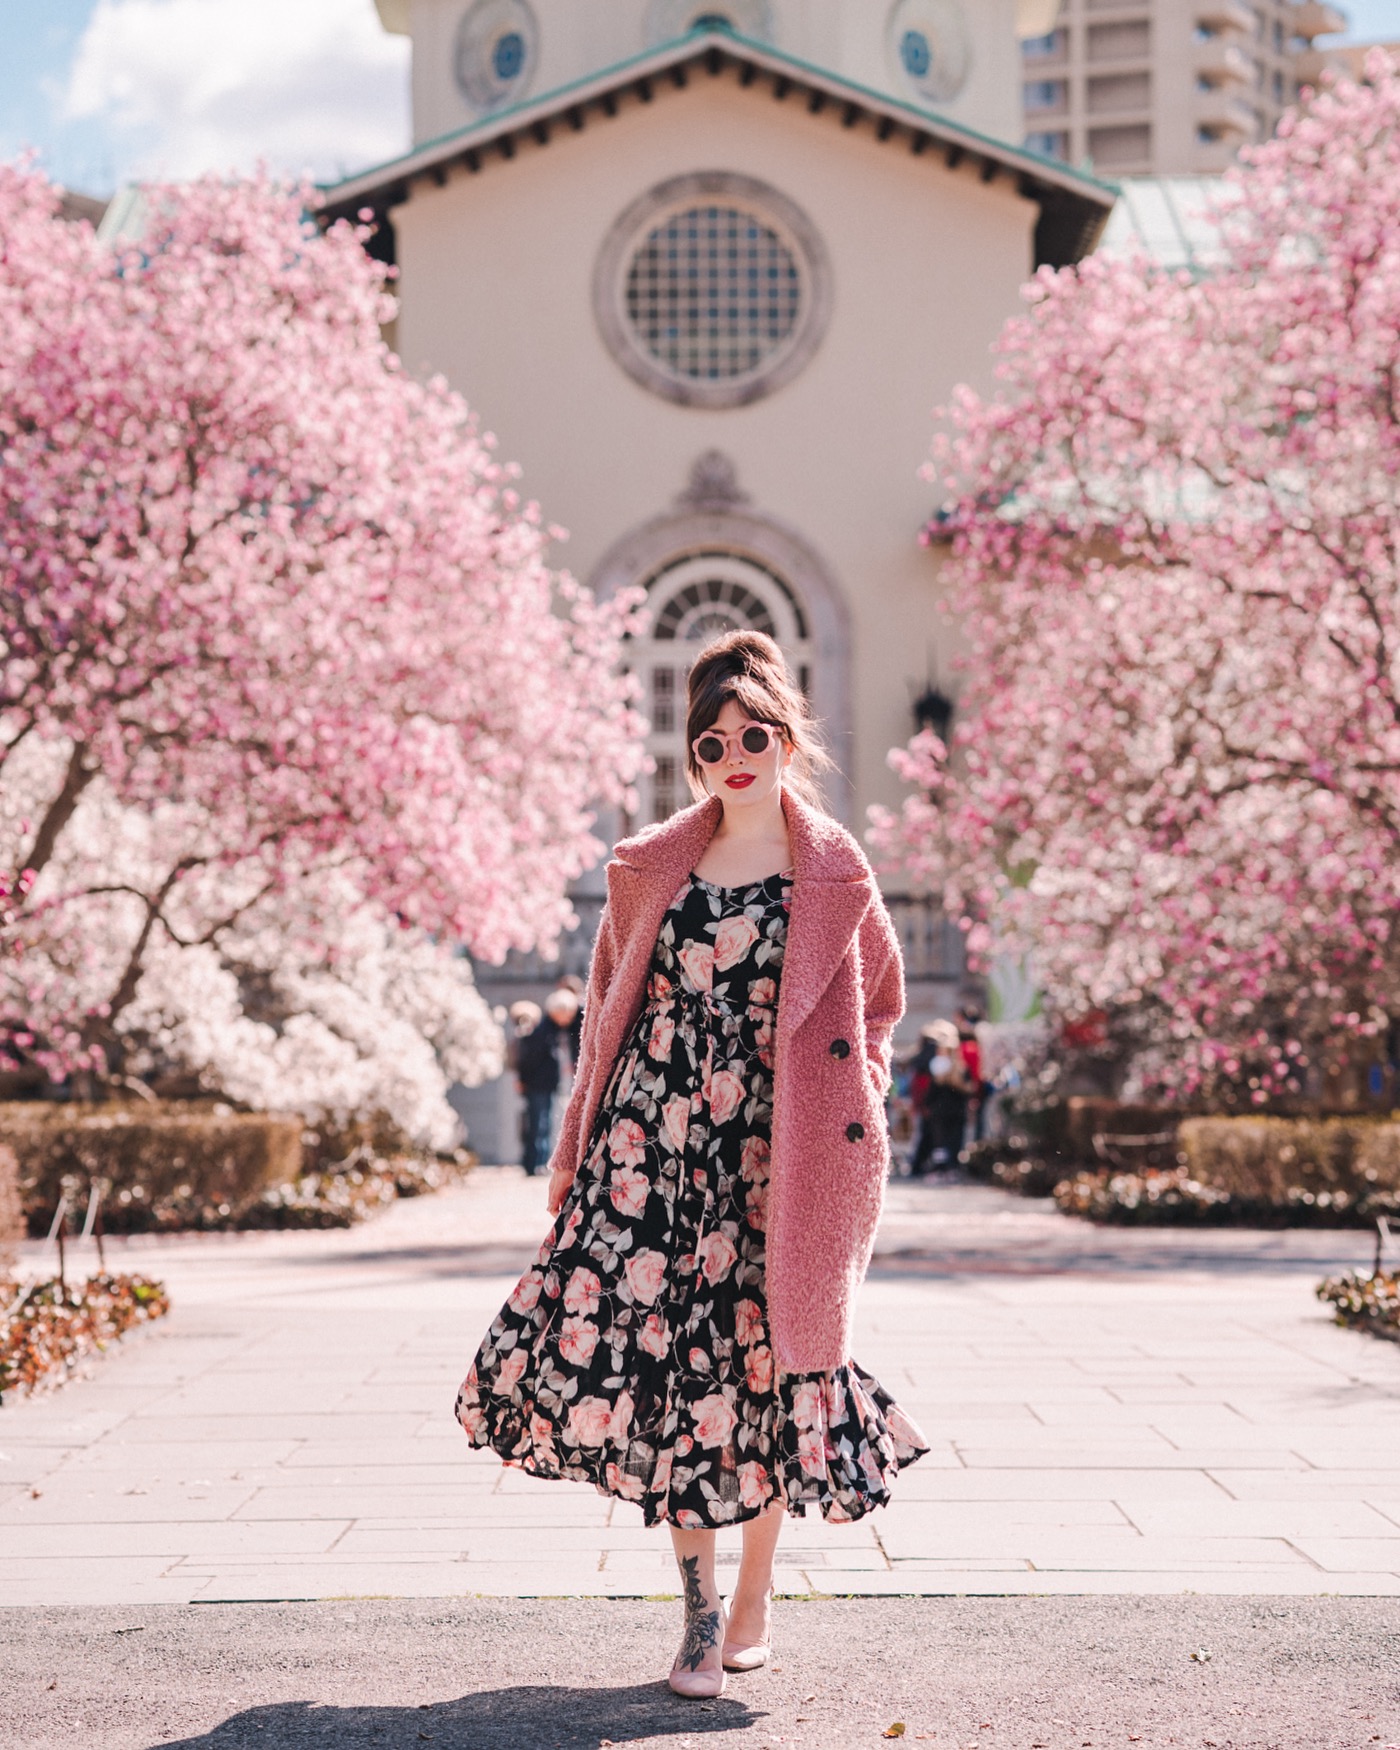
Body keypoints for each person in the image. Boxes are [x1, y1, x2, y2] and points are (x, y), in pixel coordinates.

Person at [455, 630, 928, 1698]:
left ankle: (755, 1592)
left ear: (788, 741)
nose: (733, 756)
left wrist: (857, 1094)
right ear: (694, 756)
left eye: (754, 735)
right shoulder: (647, 869)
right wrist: (584, 1144)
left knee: (766, 1373)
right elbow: (606, 1014)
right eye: (711, 742)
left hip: (783, 1158)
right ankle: (698, 1616)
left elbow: (881, 1004)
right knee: (670, 1380)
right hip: (651, 1157)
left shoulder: (835, 873)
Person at [910, 1019, 970, 1174]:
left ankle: (937, 1167)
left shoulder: (939, 1064)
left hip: (940, 1109)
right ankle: (945, 1167)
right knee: (945, 1140)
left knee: (939, 1140)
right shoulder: (952, 1066)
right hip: (948, 1110)